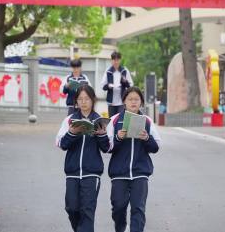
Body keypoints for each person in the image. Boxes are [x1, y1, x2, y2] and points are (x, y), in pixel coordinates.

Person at [55, 84, 109, 232]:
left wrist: (102, 135)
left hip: (92, 173)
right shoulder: (69, 120)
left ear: (92, 100)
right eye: (80, 99)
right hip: (72, 172)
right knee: (71, 208)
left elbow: (107, 148)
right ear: (76, 101)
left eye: (87, 99)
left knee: (87, 210)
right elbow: (61, 143)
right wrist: (72, 133)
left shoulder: (100, 120)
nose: (83, 102)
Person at [106, 87, 160, 232]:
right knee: (118, 207)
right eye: (130, 99)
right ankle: (121, 228)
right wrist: (118, 137)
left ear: (141, 102)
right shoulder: (114, 120)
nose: (133, 102)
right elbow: (106, 147)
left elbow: (155, 147)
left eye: (136, 99)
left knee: (138, 208)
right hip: (119, 173)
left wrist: (146, 138)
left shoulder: (147, 121)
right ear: (124, 101)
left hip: (140, 172)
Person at [101, 51, 133, 118]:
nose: (116, 62)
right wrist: (109, 86)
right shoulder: (108, 71)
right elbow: (103, 86)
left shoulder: (124, 70)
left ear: (120, 60)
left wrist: (125, 81)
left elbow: (131, 85)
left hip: (122, 101)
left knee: (121, 119)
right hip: (111, 102)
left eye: (117, 60)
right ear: (111, 60)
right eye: (114, 60)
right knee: (112, 120)